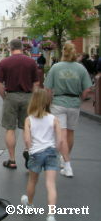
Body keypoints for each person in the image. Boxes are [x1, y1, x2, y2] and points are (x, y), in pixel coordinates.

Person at [43, 43, 92, 178]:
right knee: (70, 133)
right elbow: (87, 89)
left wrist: (49, 102)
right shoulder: (81, 68)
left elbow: (47, 88)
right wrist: (81, 98)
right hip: (74, 103)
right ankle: (65, 159)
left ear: (63, 52)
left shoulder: (56, 67)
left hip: (58, 103)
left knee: (61, 135)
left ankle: (67, 165)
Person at [0, 39, 39, 169]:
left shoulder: (4, 63)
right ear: (22, 48)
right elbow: (36, 83)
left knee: (10, 128)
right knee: (27, 127)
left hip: (11, 96)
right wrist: (34, 97)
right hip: (28, 96)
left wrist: (5, 97)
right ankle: (27, 151)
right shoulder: (31, 62)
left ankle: (12, 160)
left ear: (10, 48)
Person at [21, 88, 61, 221]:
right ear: (48, 102)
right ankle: (50, 215)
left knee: (33, 181)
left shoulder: (29, 120)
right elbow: (60, 140)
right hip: (51, 152)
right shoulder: (54, 119)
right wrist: (58, 153)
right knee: (50, 184)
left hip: (36, 153)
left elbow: (27, 140)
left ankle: (30, 205)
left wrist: (29, 149)